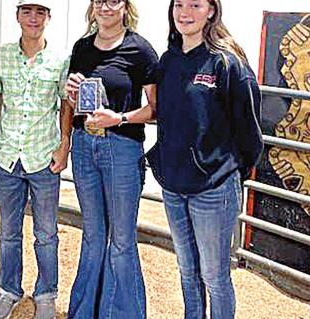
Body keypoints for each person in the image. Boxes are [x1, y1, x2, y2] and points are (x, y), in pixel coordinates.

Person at [147, 0, 264, 318]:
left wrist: (228, 173)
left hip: (214, 189)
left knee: (215, 276)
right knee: (187, 271)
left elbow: (250, 132)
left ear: (212, 10)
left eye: (195, 5)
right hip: (173, 186)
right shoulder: (167, 61)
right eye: (179, 5)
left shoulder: (227, 64)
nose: (184, 12)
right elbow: (162, 112)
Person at [64, 0, 159, 317]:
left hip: (121, 146)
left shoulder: (140, 50)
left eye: (113, 0)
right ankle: (84, 311)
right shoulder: (81, 48)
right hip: (83, 144)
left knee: (121, 239)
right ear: (92, 7)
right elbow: (74, 102)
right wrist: (72, 93)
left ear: (125, 6)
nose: (105, 7)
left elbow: (154, 110)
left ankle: (121, 313)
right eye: (99, 1)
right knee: (92, 235)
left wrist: (117, 118)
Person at [0, 1, 73, 318]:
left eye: (40, 12)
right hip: (8, 157)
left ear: (48, 18)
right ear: (18, 17)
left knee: (46, 233)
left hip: (44, 158)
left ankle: (46, 293)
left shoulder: (61, 59)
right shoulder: (1, 56)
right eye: (27, 11)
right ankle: (8, 290)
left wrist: (64, 145)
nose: (33, 18)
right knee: (9, 231)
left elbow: (66, 105)